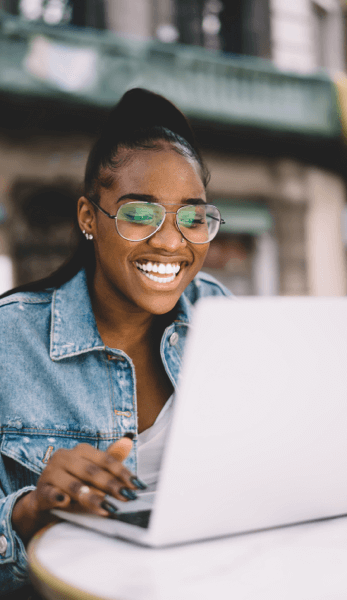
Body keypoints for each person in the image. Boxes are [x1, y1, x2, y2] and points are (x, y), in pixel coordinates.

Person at [0, 88, 230, 595]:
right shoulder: (9, 341)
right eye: (139, 214)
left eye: (192, 217)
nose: (172, 241)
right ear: (89, 218)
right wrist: (31, 508)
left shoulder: (221, 316)